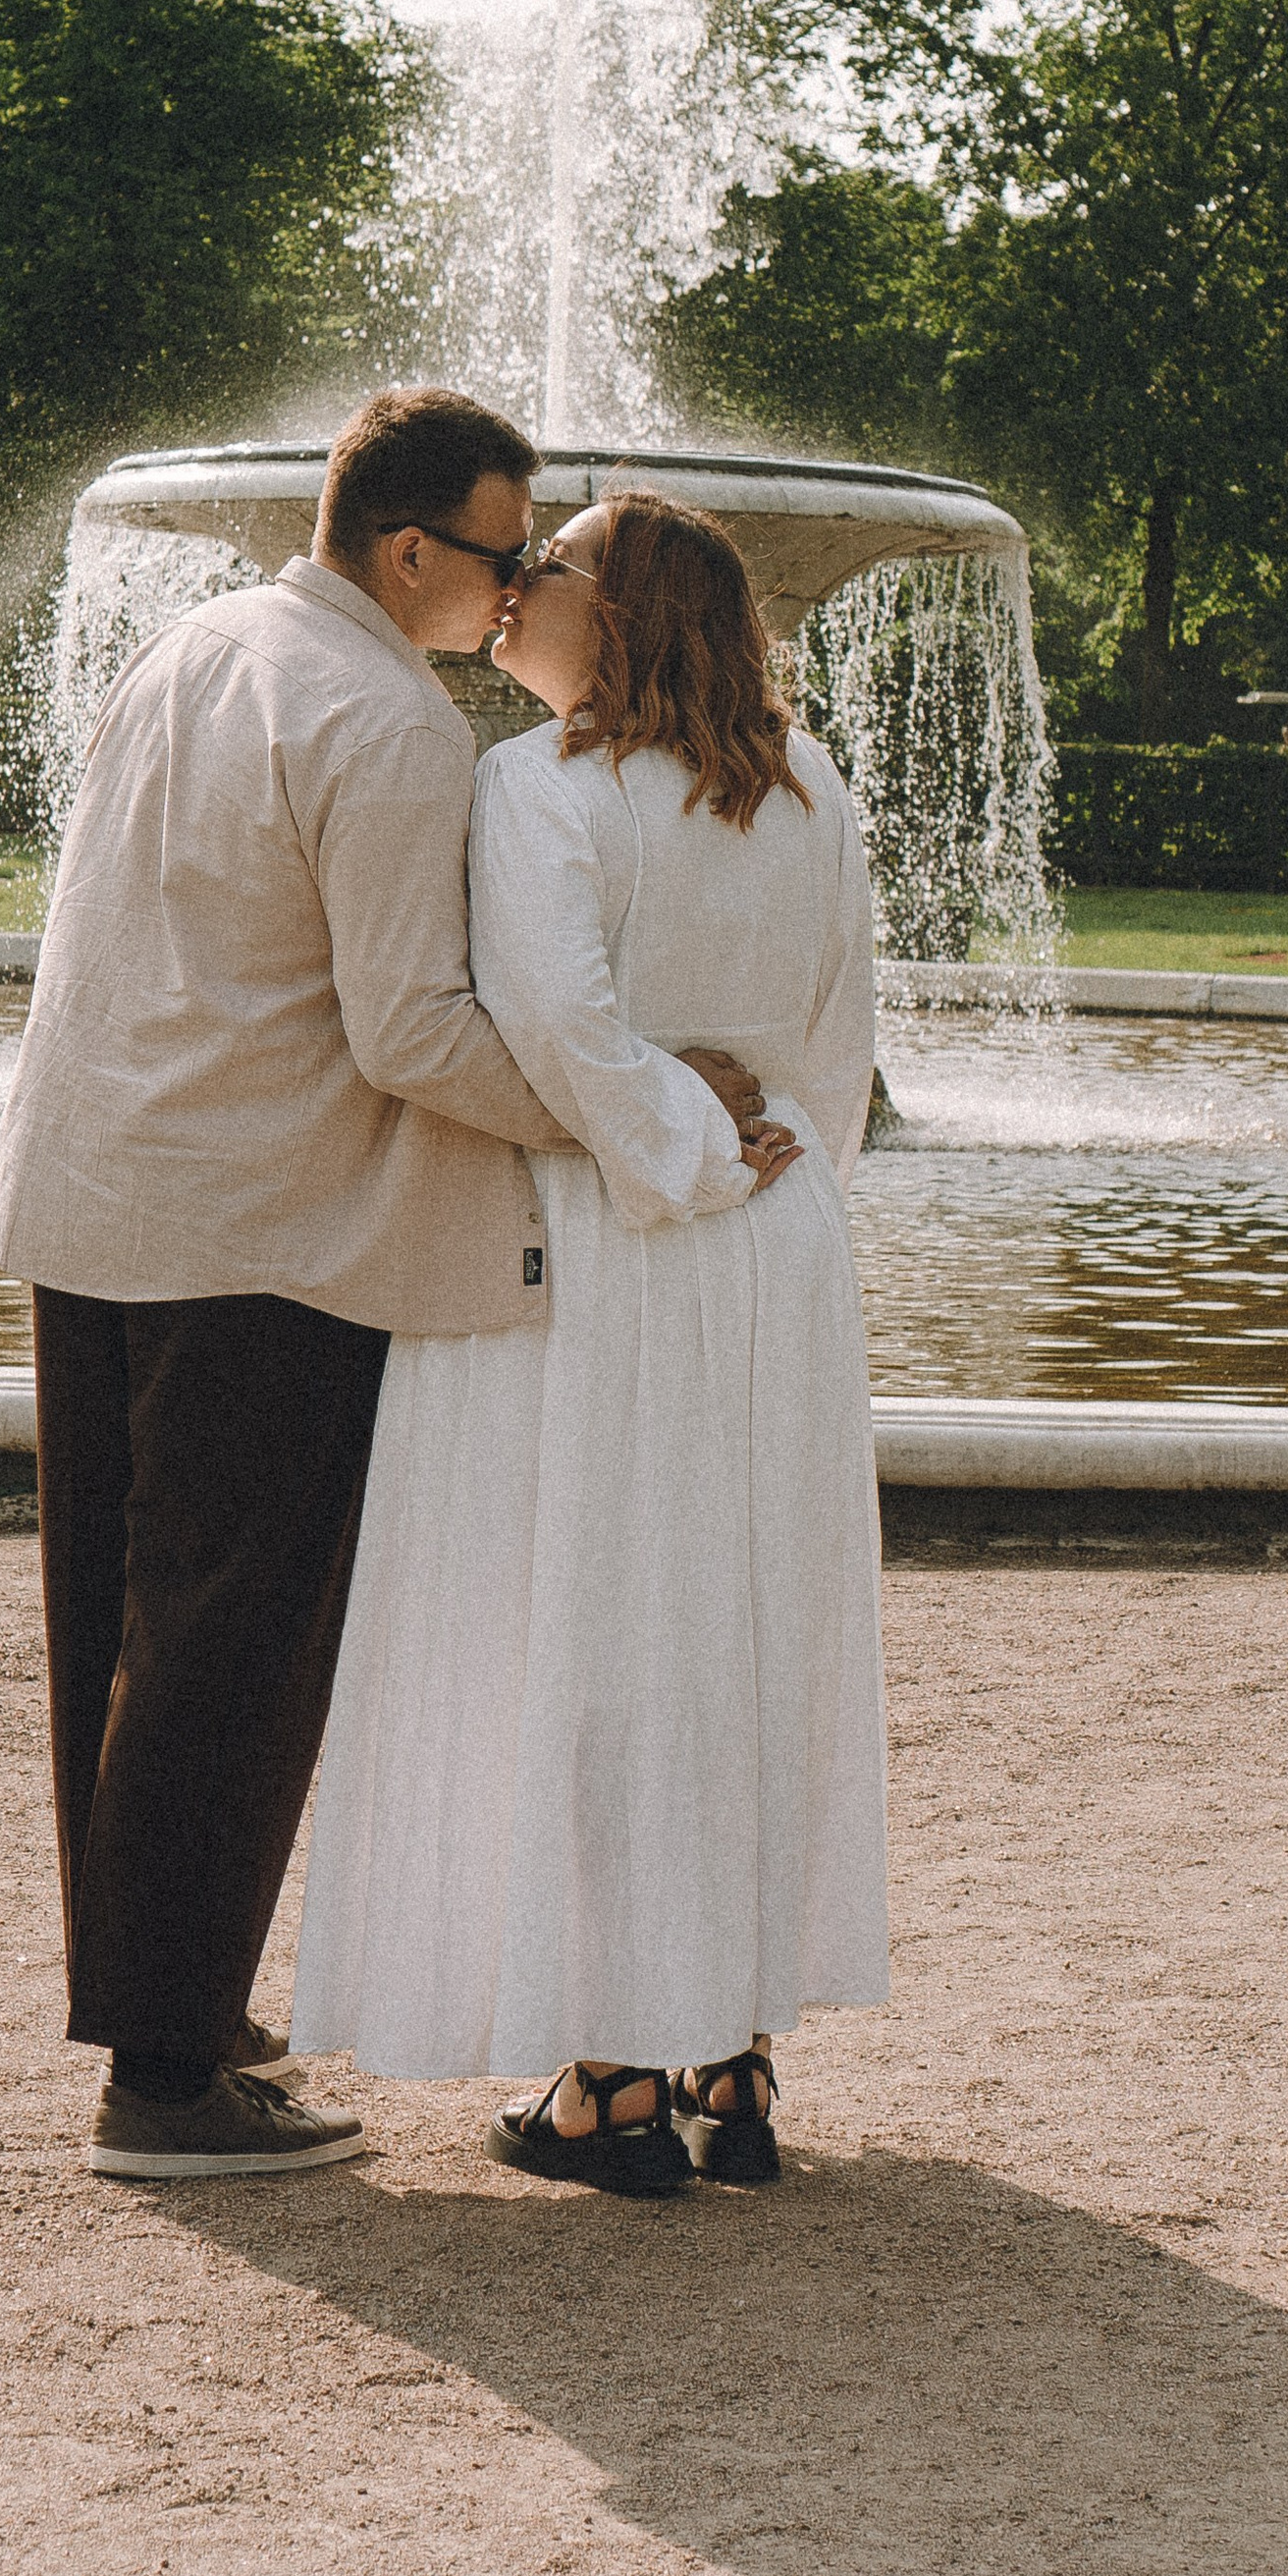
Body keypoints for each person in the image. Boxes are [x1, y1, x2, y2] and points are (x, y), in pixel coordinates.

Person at [0, 390, 774, 2187]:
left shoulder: (197, 646)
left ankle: (166, 2007)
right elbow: (411, 1032)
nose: (518, 589)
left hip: (91, 1199)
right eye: (504, 553)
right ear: (411, 550)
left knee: (117, 1633)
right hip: (258, 1235)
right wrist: (642, 1107)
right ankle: (165, 2078)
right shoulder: (394, 722)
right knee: (234, 1648)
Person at [290, 491, 889, 2195]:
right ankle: (732, 2046)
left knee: (601, 1625)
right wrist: (767, 1163)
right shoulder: (808, 782)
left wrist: (683, 1157)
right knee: (743, 1623)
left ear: (613, 611)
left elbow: (555, 1022)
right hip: (777, 1240)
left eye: (548, 564)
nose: (515, 584)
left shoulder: (536, 785)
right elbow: (836, 1043)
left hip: (614, 1238)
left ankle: (616, 2074)